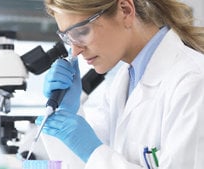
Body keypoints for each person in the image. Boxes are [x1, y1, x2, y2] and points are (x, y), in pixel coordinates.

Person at [35, 0, 204, 168]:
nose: (76, 50)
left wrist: (93, 152)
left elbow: (97, 156)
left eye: (81, 31)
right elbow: (92, 161)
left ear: (125, 10)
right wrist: (69, 112)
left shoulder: (193, 81)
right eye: (67, 37)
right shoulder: (123, 83)